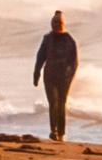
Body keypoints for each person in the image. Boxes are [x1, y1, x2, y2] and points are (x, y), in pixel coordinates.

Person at [31, 11, 79, 140]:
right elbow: (40, 57)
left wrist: (70, 76)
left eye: (58, 23)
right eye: (54, 22)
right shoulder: (47, 39)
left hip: (64, 78)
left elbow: (74, 62)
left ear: (63, 24)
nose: (56, 25)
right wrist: (36, 73)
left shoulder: (69, 40)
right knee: (53, 103)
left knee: (61, 104)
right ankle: (54, 131)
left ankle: (61, 133)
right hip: (50, 76)